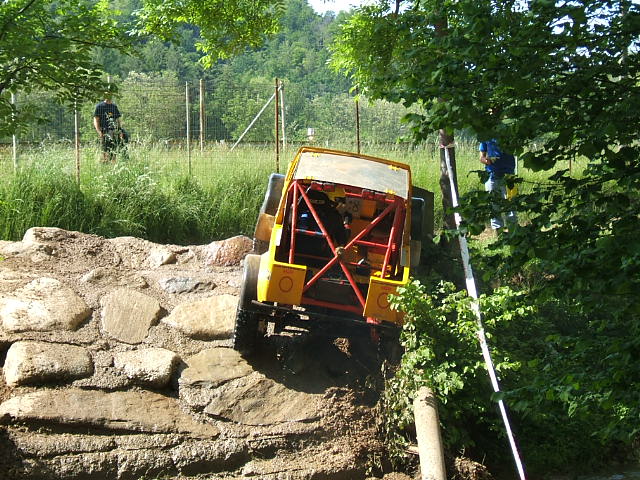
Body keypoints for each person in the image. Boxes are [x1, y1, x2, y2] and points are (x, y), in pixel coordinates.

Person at [479, 138, 517, 230]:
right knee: (494, 206)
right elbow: (481, 157)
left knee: (511, 205)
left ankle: (514, 233)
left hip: (509, 175)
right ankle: (499, 235)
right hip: (491, 174)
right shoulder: (486, 135)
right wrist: (487, 160)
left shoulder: (509, 132)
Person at [93, 92, 123, 162]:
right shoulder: (99, 106)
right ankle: (104, 164)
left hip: (113, 131)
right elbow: (96, 120)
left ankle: (113, 164)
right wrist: (99, 131)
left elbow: (118, 120)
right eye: (106, 94)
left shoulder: (114, 107)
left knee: (114, 149)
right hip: (104, 131)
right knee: (104, 149)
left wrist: (120, 130)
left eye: (110, 94)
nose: (108, 96)